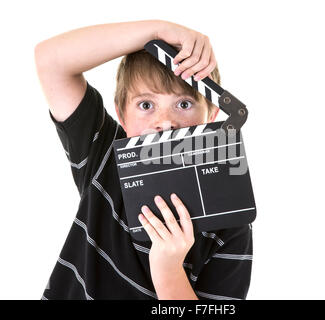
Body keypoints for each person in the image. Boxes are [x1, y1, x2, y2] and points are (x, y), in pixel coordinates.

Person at [34, 19, 253, 300]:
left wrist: (168, 270)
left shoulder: (229, 217)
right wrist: (157, 31)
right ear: (122, 116)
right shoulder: (105, 157)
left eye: (184, 104)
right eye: (146, 105)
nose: (165, 122)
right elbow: (51, 61)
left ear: (211, 117)